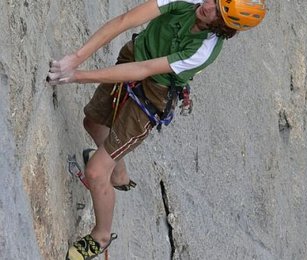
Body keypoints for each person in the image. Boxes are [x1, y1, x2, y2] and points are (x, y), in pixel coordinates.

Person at [47, 0, 266, 259]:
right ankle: (118, 173)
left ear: (225, 28)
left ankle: (101, 235)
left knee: (95, 172)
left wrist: (76, 76)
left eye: (218, 13)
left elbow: (145, 70)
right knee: (92, 123)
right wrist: (75, 59)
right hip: (135, 55)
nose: (208, 6)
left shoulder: (203, 50)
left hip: (152, 96)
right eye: (215, 1)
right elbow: (125, 21)